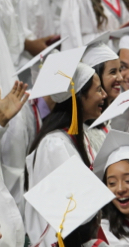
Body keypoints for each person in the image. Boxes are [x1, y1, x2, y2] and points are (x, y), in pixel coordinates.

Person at [25, 51, 106, 245]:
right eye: (98, 90)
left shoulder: (80, 136)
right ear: (78, 98)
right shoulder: (53, 145)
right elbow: (78, 209)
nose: (104, 95)